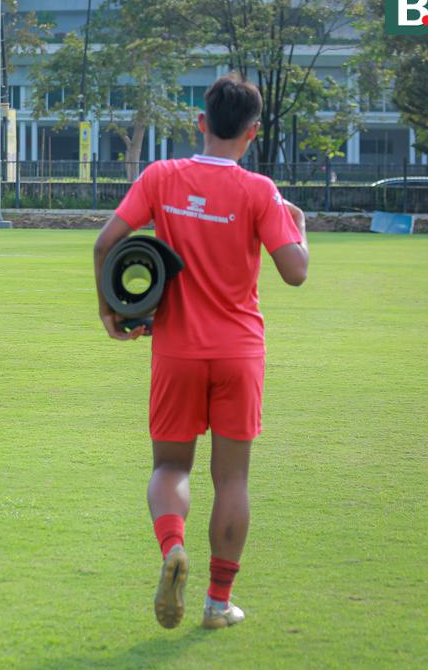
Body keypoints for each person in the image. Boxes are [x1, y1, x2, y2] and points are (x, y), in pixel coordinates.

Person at [92, 74, 309, 631]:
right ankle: (217, 602)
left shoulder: (162, 176)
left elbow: (105, 243)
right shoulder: (261, 191)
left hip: (176, 351)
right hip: (239, 352)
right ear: (253, 133)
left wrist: (110, 311)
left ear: (201, 122)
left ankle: (172, 548)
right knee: (232, 480)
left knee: (170, 465)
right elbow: (295, 272)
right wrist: (300, 230)